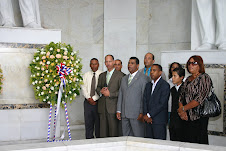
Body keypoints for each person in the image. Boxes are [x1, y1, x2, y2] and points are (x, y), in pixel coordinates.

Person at [178, 55, 212, 144]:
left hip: (198, 116)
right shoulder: (187, 79)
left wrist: (183, 108)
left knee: (198, 142)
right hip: (185, 116)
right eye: (189, 63)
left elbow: (199, 98)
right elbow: (181, 96)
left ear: (200, 65)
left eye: (194, 63)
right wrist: (182, 111)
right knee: (186, 142)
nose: (191, 65)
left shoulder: (204, 77)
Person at [117, 57, 150, 137]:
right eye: (129, 63)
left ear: (137, 65)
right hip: (124, 114)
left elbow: (144, 97)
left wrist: (142, 112)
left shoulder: (144, 78)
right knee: (126, 137)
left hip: (137, 115)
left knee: (138, 138)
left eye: (132, 63)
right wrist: (119, 110)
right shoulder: (124, 79)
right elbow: (121, 94)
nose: (129, 65)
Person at [96, 54, 124, 137]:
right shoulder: (102, 75)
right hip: (102, 108)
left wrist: (110, 94)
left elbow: (122, 92)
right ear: (104, 63)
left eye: (110, 61)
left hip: (113, 108)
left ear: (113, 62)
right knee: (103, 133)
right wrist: (100, 91)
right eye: (106, 61)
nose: (108, 63)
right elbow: (97, 88)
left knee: (113, 133)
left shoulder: (120, 75)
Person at [143, 64, 170, 140]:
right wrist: (146, 115)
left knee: (159, 144)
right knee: (148, 144)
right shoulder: (148, 85)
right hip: (148, 121)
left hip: (159, 121)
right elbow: (144, 100)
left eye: (154, 70)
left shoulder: (165, 85)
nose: (152, 72)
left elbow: (162, 104)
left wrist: (149, 115)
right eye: (151, 70)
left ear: (160, 72)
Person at [81, 58, 102, 139]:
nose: (94, 66)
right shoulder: (86, 75)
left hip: (98, 102)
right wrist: (89, 98)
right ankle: (89, 139)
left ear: (98, 64)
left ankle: (98, 141)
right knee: (88, 123)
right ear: (90, 65)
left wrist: (94, 98)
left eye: (95, 64)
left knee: (98, 123)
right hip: (87, 102)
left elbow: (102, 88)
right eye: (92, 64)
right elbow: (83, 87)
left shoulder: (102, 74)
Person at [169, 67, 185, 141]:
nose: (172, 78)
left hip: (182, 121)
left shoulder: (186, 88)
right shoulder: (172, 89)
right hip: (173, 120)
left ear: (181, 77)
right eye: (172, 76)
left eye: (175, 76)